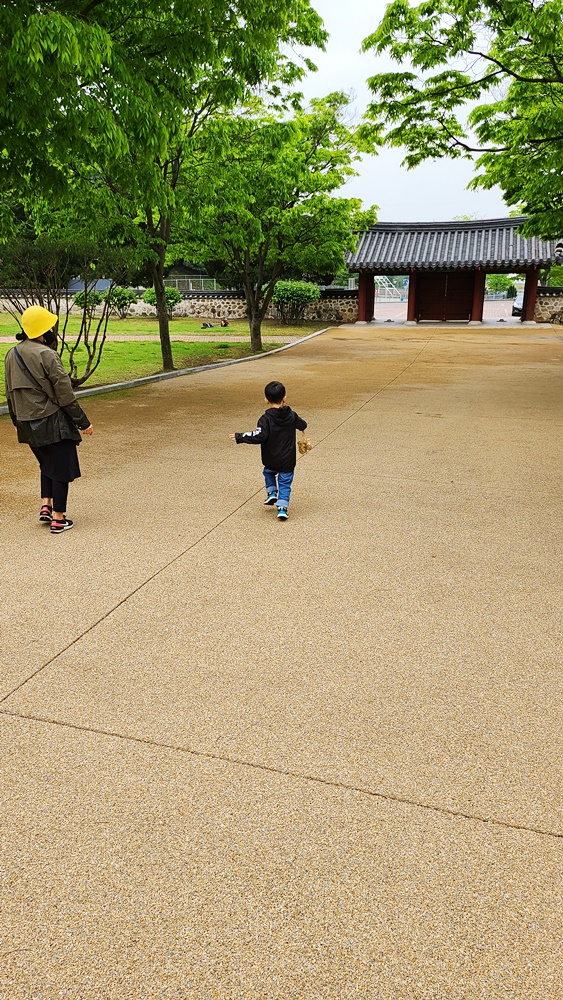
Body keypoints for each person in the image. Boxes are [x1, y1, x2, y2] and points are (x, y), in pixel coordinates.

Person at [4, 305, 93, 533]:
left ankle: (46, 505)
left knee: (48, 464)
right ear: (45, 330)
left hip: (25, 422)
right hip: (50, 420)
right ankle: (59, 519)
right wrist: (83, 422)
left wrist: (17, 422)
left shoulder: (11, 354)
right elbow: (65, 393)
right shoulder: (47, 354)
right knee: (62, 466)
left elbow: (9, 392)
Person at [229, 380, 307, 520]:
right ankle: (282, 508)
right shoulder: (292, 415)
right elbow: (302, 424)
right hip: (288, 459)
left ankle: (271, 492)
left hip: (271, 458)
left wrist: (240, 437)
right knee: (285, 482)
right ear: (284, 398)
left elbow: (259, 436)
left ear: (266, 400)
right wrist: (302, 427)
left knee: (268, 472)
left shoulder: (265, 419)